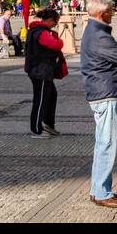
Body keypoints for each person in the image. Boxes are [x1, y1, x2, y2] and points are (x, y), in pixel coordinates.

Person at [80, 0, 117, 209]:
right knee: (107, 144)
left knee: (104, 143)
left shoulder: (95, 31)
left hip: (103, 93)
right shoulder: (99, 36)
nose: (113, 13)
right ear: (102, 13)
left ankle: (98, 189)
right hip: (106, 94)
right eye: (111, 10)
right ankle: (102, 192)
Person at [25, 8, 66, 137]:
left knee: (51, 95)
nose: (55, 25)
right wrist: (60, 41)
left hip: (40, 70)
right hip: (40, 70)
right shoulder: (41, 33)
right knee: (41, 99)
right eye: (55, 22)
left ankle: (47, 124)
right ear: (49, 20)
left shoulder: (35, 30)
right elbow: (56, 45)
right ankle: (38, 128)